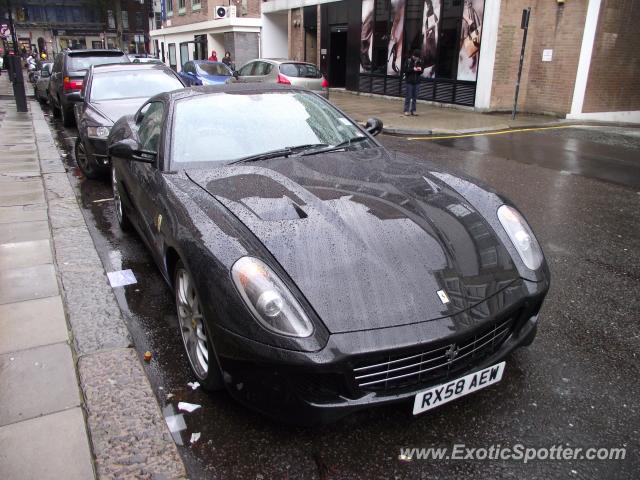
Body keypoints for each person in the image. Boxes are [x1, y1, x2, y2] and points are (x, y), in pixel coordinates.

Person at [403, 50, 423, 116]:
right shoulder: (408, 61)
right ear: (413, 56)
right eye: (416, 57)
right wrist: (413, 69)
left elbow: (421, 71)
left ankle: (413, 110)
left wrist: (420, 70)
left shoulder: (420, 61)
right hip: (409, 81)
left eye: (418, 57)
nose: (417, 58)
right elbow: (405, 70)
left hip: (417, 81)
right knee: (408, 96)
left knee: (415, 97)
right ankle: (406, 110)